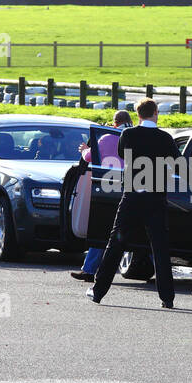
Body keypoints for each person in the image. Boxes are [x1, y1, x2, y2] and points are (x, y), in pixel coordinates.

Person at [87, 99, 178, 309]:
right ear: (156, 113)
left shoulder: (128, 135)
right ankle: (167, 297)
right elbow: (178, 162)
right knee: (160, 247)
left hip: (133, 196)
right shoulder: (165, 138)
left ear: (138, 115)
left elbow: (121, 153)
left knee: (116, 243)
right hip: (156, 198)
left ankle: (98, 290)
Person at [71, 110, 133, 282]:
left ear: (115, 123)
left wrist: (85, 149)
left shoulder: (107, 137)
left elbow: (90, 157)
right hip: (133, 188)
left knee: (101, 230)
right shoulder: (134, 135)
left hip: (108, 187)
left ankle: (90, 270)